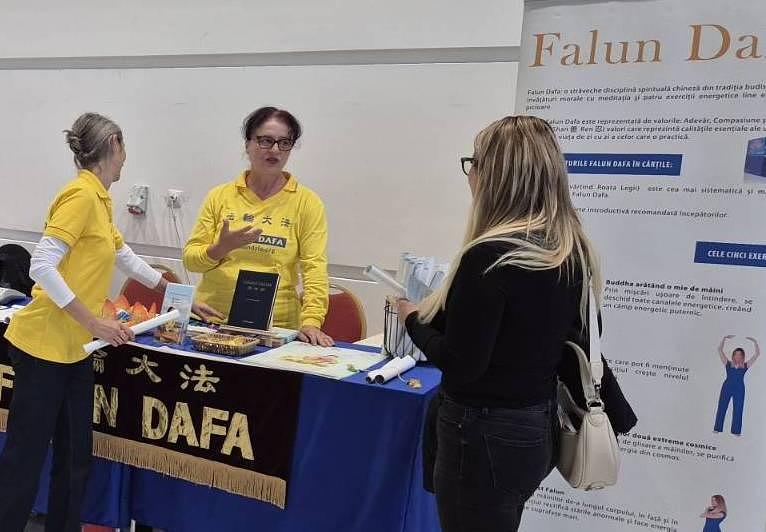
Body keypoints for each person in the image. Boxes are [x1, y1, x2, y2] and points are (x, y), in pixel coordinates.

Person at [0, 113, 220, 532]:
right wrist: (95, 322)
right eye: (123, 148)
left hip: (76, 349)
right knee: (24, 459)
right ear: (113, 145)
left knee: (75, 458)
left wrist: (176, 293)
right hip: (44, 347)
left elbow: (122, 255)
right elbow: (41, 265)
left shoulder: (100, 200)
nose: (125, 158)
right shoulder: (80, 196)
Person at [397, 115, 601, 532]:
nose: (470, 173)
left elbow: (462, 364)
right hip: (534, 427)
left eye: (474, 162)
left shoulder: (489, 257)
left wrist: (413, 320)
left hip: (482, 431)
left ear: (496, 176)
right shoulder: (570, 249)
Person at [183, 106, 333, 346]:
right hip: (213, 321)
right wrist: (220, 248)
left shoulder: (307, 202)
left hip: (276, 328)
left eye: (285, 142)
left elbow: (314, 267)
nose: (275, 150)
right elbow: (191, 261)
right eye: (266, 141)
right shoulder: (220, 196)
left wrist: (312, 321)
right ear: (248, 144)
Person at [714, 335, 759, 435]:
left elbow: (757, 354)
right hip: (727, 387)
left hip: (739, 389)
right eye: (736, 354)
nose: (738, 356)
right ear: (733, 355)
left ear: (742, 356)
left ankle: (736, 431)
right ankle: (717, 428)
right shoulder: (728, 363)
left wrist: (755, 342)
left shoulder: (745, 365)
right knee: (722, 407)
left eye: (740, 355)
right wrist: (724, 338)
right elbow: (719, 350)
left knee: (738, 409)